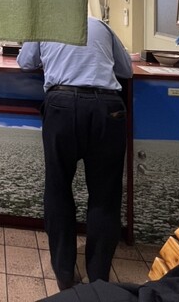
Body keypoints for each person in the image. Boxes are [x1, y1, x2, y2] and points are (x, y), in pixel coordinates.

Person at [17, 17, 132, 291]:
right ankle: (99, 279)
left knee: (58, 189)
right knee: (105, 196)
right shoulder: (101, 26)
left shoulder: (45, 24)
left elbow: (25, 63)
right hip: (108, 109)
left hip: (62, 106)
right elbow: (126, 70)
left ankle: (65, 274)